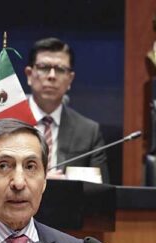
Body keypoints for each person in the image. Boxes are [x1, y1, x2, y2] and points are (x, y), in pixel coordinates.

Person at [23, 37, 109, 183]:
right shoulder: (7, 122)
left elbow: (100, 191)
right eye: (44, 67)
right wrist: (38, 179)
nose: (51, 76)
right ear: (29, 75)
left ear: (70, 79)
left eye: (60, 69)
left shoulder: (88, 132)